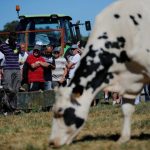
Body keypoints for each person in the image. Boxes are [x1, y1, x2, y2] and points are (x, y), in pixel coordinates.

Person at [0, 32, 21, 113]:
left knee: (16, 89)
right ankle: (7, 107)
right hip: (7, 69)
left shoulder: (17, 45)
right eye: (12, 39)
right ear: (9, 39)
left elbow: (16, 53)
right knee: (8, 88)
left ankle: (14, 108)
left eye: (15, 39)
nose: (14, 41)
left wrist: (15, 48)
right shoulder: (3, 46)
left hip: (17, 68)